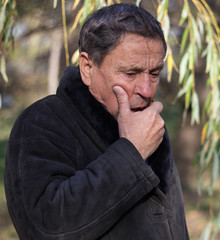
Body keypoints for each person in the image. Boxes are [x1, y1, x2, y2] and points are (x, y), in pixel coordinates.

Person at [5, 3, 189, 240]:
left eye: (154, 73)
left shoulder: (149, 126)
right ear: (88, 68)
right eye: (131, 73)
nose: (146, 89)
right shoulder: (41, 123)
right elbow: (47, 227)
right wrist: (131, 153)